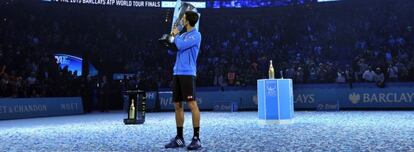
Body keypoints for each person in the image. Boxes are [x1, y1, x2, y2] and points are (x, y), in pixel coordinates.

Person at [164, 11, 202, 150]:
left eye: (183, 19)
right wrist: (168, 43)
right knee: (178, 105)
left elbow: (179, 45)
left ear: (188, 21)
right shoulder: (183, 35)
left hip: (188, 73)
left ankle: (196, 139)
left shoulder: (196, 35)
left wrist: (174, 34)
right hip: (177, 72)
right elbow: (173, 49)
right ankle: (179, 138)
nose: (181, 21)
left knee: (192, 104)